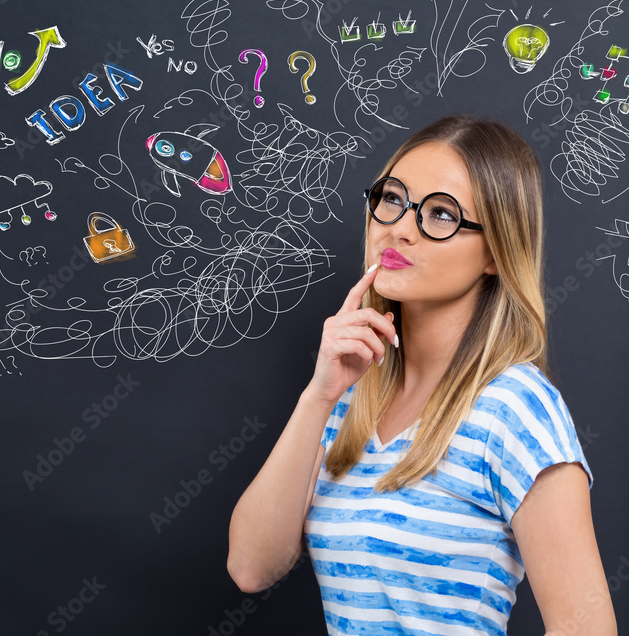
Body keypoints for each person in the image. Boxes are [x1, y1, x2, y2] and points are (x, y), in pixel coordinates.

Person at [226, 115, 617, 635]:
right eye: (392, 199)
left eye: (441, 214)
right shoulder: (351, 395)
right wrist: (319, 396)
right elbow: (252, 567)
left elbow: (585, 627)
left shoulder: (516, 408)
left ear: (496, 253)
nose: (400, 227)